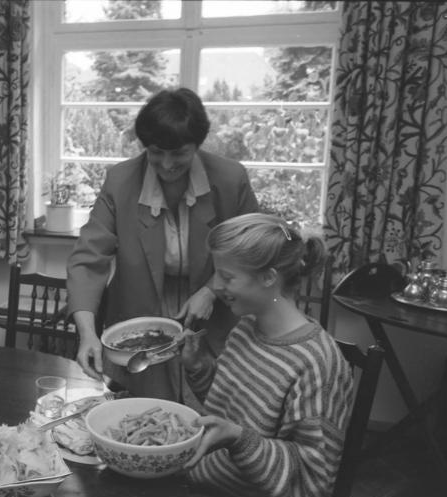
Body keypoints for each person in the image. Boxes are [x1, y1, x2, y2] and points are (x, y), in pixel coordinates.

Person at [67, 87, 259, 402]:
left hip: (216, 314)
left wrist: (211, 290)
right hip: (138, 316)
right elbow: (89, 259)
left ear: (197, 145)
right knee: (142, 416)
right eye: (156, 152)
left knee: (208, 415)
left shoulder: (230, 179)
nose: (167, 164)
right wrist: (87, 333)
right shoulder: (120, 180)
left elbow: (251, 249)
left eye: (179, 153)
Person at [181, 213, 354, 497]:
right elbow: (226, 410)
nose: (217, 287)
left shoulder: (317, 364)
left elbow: (313, 481)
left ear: (268, 278)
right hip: (200, 482)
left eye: (226, 276)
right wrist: (199, 367)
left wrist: (239, 440)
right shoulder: (247, 327)